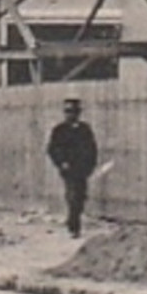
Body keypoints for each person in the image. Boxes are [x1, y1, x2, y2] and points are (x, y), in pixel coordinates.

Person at [46, 98, 99, 238]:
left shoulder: (84, 129)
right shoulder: (59, 130)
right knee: (73, 195)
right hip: (68, 169)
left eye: (74, 111)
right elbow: (52, 149)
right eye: (68, 111)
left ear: (79, 113)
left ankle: (73, 220)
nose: (71, 114)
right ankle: (74, 226)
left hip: (82, 169)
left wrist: (90, 165)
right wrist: (61, 162)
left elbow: (92, 148)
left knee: (80, 197)